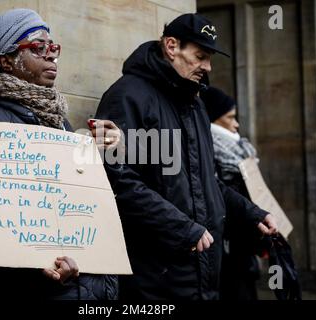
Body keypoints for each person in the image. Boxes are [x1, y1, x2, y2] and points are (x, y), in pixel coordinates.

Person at [95, 13, 278, 300]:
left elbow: (207, 182)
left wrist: (250, 213)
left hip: (203, 269)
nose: (207, 67)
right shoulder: (127, 95)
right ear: (171, 46)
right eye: (200, 56)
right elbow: (116, 180)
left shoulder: (195, 105)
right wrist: (181, 228)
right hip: (155, 275)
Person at [0, 8, 119, 300]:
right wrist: (35, 260)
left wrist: (108, 156)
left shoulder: (59, 121)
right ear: (6, 61)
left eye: (53, 47)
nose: (51, 55)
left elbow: (79, 202)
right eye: (38, 47)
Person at [201, 86, 261, 300]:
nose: (236, 125)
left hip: (243, 241)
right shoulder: (210, 148)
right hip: (225, 242)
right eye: (230, 117)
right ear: (214, 119)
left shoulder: (241, 150)